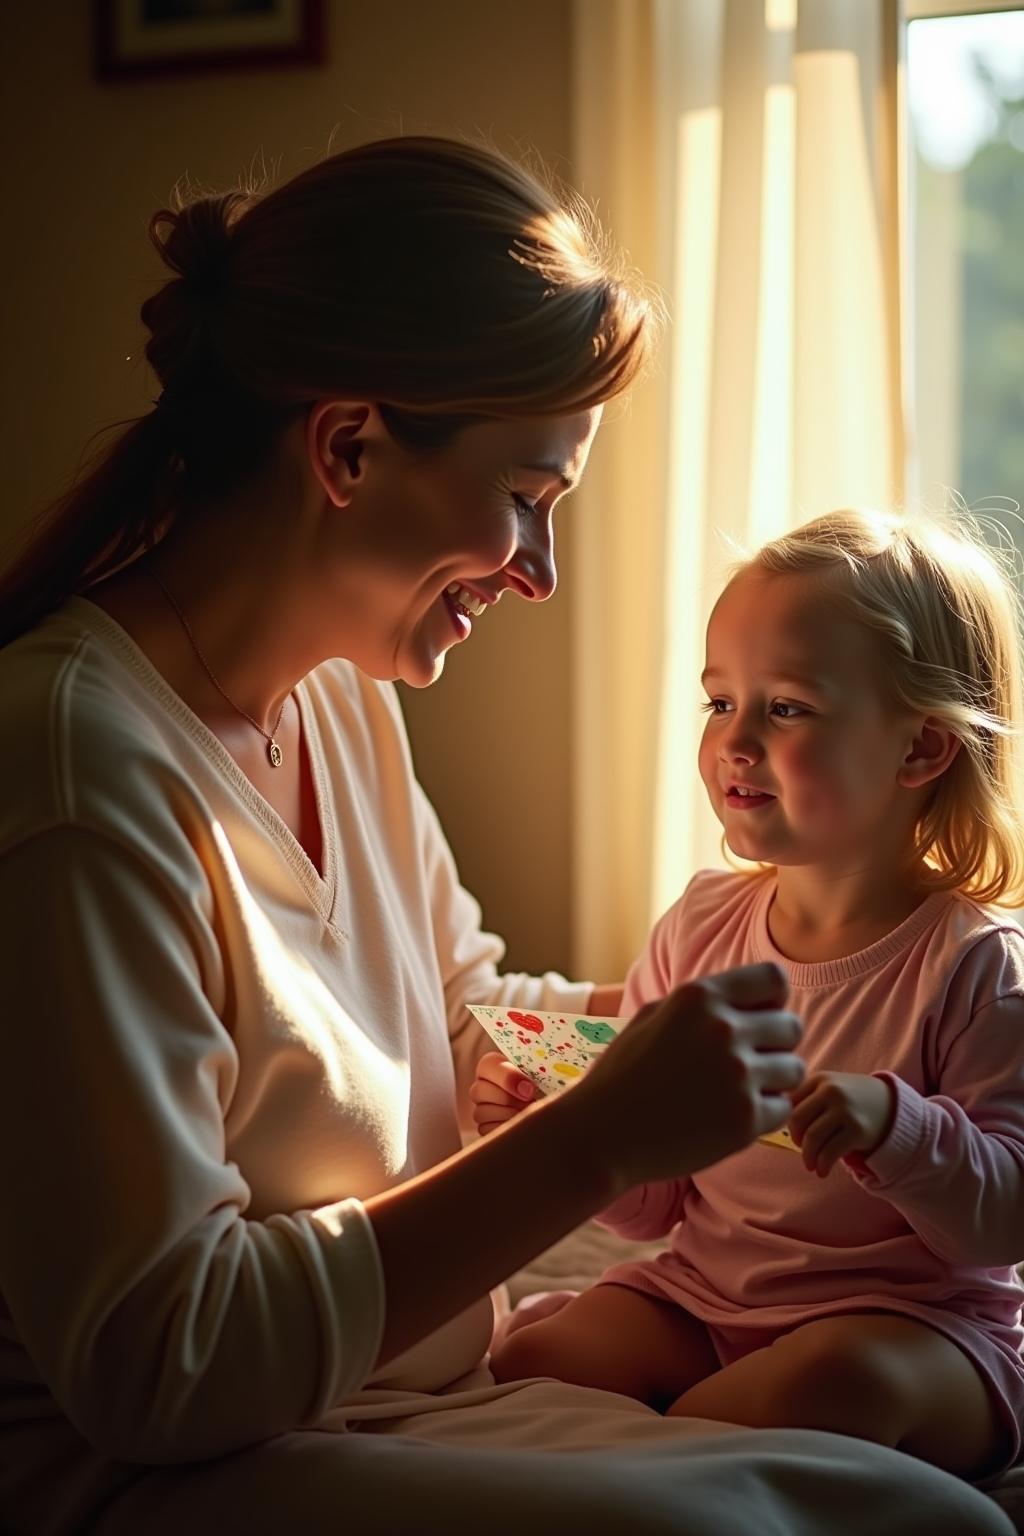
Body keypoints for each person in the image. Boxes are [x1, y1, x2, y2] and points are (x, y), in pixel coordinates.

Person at [0, 138, 1011, 1536]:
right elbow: (160, 1370)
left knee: (936, 1518)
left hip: (389, 1391)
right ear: (348, 447)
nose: (541, 573)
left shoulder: (338, 702)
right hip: (179, 1461)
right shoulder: (77, 777)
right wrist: (596, 1142)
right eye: (528, 498)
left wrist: (714, 1036)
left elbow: (460, 1013)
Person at [485, 506, 1024, 1484]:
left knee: (833, 1382)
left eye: (785, 709)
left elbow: (1002, 1219)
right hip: (706, 1300)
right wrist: (570, 1119)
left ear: (919, 750)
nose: (734, 741)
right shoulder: (700, 927)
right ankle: (699, 1439)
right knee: (539, 1356)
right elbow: (654, 1205)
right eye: (720, 702)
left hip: (914, 1328)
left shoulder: (976, 965)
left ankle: (684, 1452)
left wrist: (895, 1130)